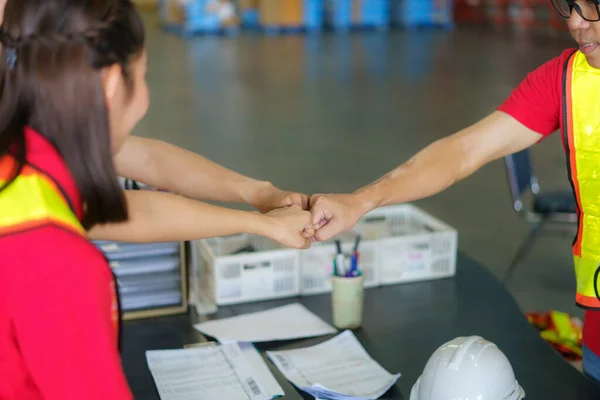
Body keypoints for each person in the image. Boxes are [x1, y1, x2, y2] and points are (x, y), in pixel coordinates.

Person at [0, 0, 313, 399]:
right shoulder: (59, 264)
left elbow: (138, 181)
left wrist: (261, 204)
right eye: (144, 76)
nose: (146, 97)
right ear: (112, 84)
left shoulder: (25, 151)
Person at [310, 0, 600, 383]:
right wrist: (362, 200)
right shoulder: (566, 79)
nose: (578, 23)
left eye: (594, 7)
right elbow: (462, 151)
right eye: (571, 6)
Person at [0, 0, 312, 246]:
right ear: (109, 85)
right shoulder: (36, 201)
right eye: (142, 75)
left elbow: (148, 162)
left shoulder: (35, 129)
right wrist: (261, 222)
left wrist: (258, 195)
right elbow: (129, 213)